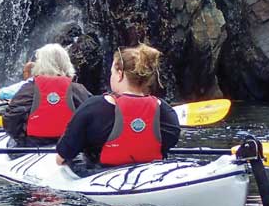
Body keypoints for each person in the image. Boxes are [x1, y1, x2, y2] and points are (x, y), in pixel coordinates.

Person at [56, 43, 181, 172]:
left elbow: (62, 156)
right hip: (151, 173)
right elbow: (171, 141)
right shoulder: (166, 111)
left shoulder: (93, 107)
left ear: (120, 74)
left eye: (112, 73)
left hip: (99, 176)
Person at [3, 44, 90, 147]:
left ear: (40, 64)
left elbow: (10, 119)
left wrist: (21, 137)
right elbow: (92, 117)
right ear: (67, 64)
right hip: (69, 144)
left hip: (33, 143)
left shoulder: (28, 89)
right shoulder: (78, 89)